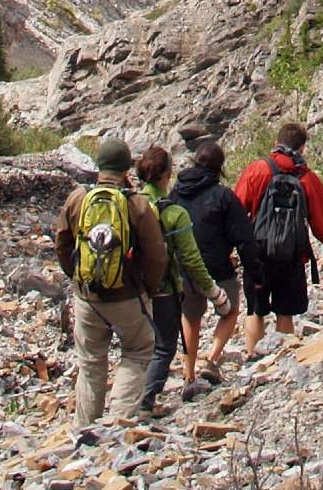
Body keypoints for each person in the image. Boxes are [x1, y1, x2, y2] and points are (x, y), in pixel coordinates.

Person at [54, 135, 169, 434]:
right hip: (128, 296)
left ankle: (84, 428)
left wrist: (77, 278)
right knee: (138, 350)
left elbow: (62, 243)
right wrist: (149, 288)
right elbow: (157, 255)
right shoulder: (138, 204)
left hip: (88, 296)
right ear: (125, 169)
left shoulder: (77, 198)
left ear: (99, 166)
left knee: (91, 361)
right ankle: (118, 422)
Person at [234, 121, 323, 357]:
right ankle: (280, 361)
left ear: (276, 143)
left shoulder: (258, 169)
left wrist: (229, 250)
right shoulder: (306, 178)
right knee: (285, 312)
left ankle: (253, 358)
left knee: (255, 309)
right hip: (292, 255)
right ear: (302, 148)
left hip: (258, 253)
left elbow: (236, 209)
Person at [132, 143, 226, 416]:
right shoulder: (173, 213)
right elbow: (192, 261)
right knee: (163, 347)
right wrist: (213, 292)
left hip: (127, 290)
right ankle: (144, 403)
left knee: (135, 349)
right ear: (167, 175)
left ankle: (122, 403)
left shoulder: (131, 204)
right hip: (162, 290)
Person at [171, 137, 260, 382]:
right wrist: (254, 269)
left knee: (190, 318)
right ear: (220, 168)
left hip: (184, 268)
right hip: (217, 268)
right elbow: (243, 237)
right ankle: (211, 360)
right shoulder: (224, 196)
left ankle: (188, 374)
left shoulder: (175, 192)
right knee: (229, 311)